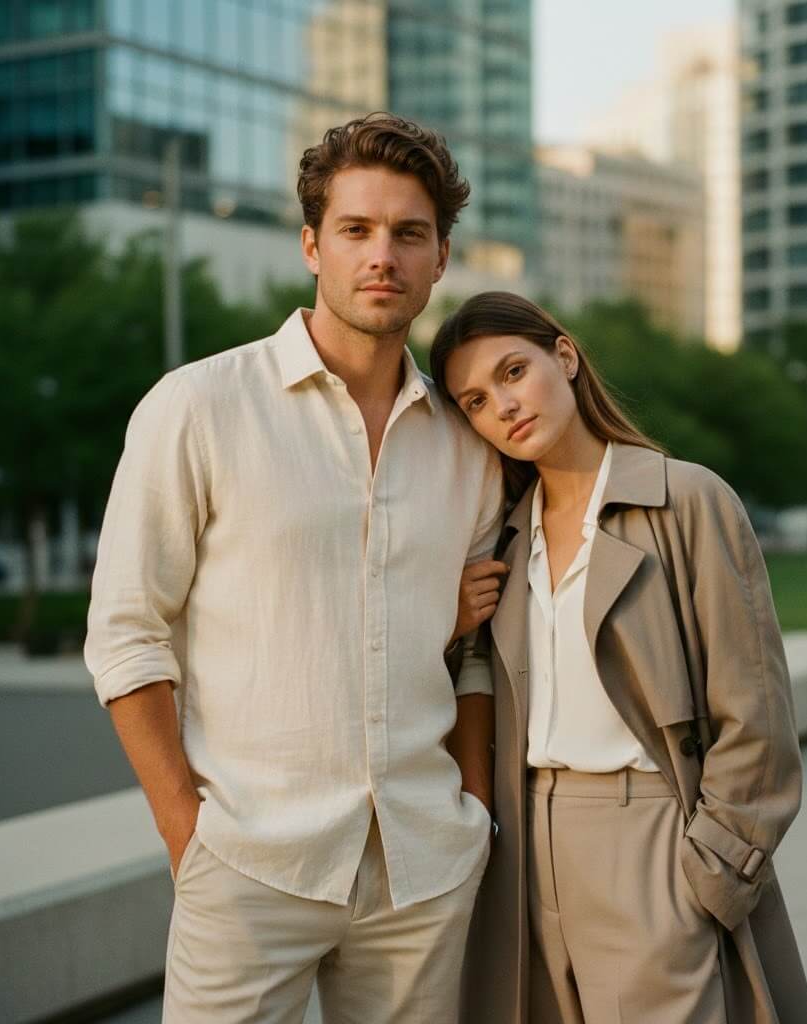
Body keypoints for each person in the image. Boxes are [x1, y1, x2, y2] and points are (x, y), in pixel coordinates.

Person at [84, 113, 504, 1023]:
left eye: (409, 234)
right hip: (247, 863)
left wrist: (472, 808)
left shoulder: (470, 449)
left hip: (422, 868)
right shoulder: (198, 407)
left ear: (440, 259)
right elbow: (126, 632)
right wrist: (185, 832)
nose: (382, 255)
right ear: (313, 246)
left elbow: (472, 656)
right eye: (356, 230)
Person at [433, 292, 807, 1024]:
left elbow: (758, 713)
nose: (504, 407)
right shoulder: (503, 544)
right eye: (476, 401)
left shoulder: (687, 502)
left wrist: (711, 871)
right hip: (525, 851)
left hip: (652, 841)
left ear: (566, 356)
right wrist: (451, 624)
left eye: (515, 371)